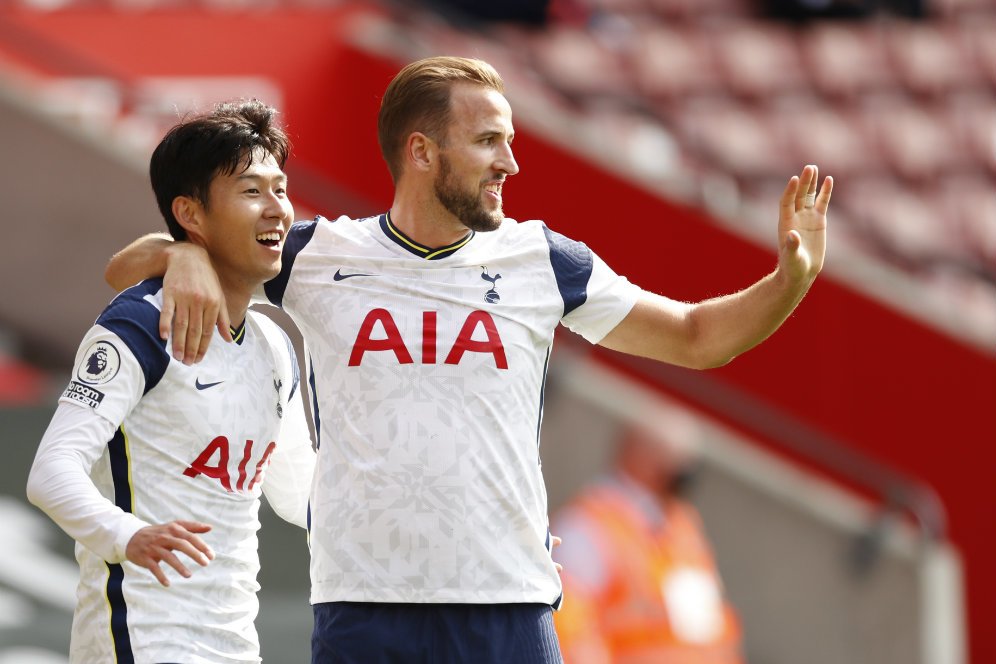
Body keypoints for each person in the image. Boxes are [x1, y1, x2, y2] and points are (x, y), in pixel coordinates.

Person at [104, 56, 832, 663]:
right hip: (364, 608)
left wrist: (790, 280)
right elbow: (122, 269)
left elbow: (698, 337)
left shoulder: (543, 260)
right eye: (488, 141)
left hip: (507, 610)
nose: (510, 163)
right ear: (422, 152)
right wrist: (183, 256)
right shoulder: (315, 254)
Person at [27, 100, 317, 664]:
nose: (278, 210)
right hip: (142, 634)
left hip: (234, 641)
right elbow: (50, 473)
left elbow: (299, 494)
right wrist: (127, 535)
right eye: (252, 191)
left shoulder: (273, 343)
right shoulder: (140, 323)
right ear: (191, 212)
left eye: (280, 189)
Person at [552, 410, 743, 663]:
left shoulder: (682, 528)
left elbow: (710, 628)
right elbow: (570, 631)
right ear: (637, 452)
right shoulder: (588, 526)